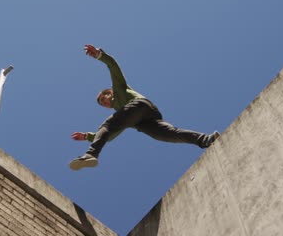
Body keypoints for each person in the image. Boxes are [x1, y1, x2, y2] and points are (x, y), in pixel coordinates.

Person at [69, 44, 220, 171]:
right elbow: (110, 135)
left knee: (108, 124)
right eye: (103, 104)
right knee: (169, 134)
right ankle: (206, 140)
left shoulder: (119, 88)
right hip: (145, 121)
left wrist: (100, 55)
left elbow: (113, 66)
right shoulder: (120, 114)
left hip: (140, 106)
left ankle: (91, 154)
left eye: (104, 99)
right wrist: (87, 136)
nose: (105, 103)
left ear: (110, 92)